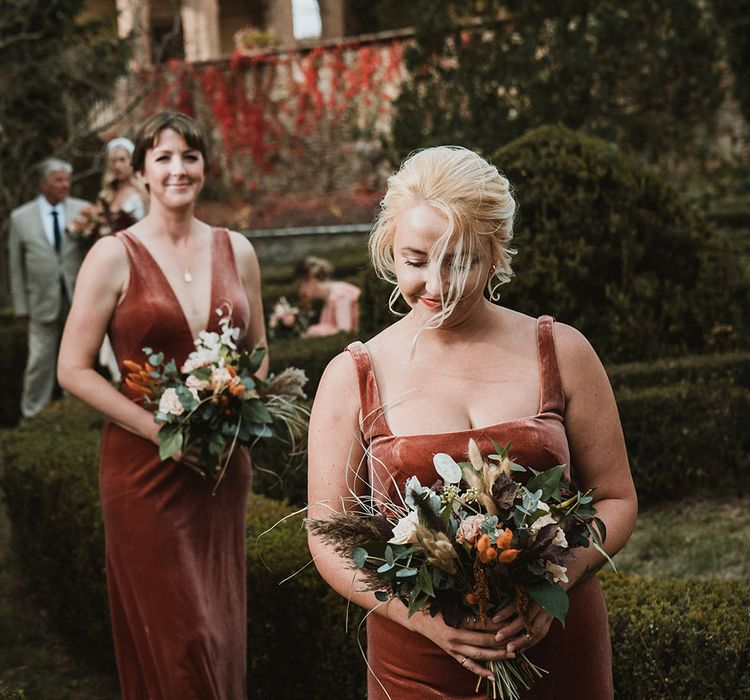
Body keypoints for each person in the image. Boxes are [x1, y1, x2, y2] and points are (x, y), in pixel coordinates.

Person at [307, 146, 637, 699]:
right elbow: (328, 538)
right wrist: (425, 622)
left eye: (460, 261)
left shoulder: (562, 350)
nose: (437, 285)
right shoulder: (351, 375)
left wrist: (554, 581)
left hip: (558, 645)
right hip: (418, 661)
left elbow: (616, 498)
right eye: (415, 261)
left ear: (495, 252)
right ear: (389, 248)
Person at [58, 111, 267, 699]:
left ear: (205, 167)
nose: (179, 169)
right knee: (181, 640)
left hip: (219, 470)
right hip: (143, 472)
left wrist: (232, 409)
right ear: (143, 172)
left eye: (190, 157)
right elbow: (71, 369)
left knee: (220, 632)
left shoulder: (239, 250)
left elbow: (261, 355)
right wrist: (162, 431)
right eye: (164, 157)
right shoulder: (112, 255)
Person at [7, 158, 90, 420]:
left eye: (67, 179)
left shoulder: (85, 211)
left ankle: (74, 413)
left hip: (78, 300)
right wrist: (21, 306)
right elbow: (16, 267)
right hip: (41, 304)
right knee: (39, 363)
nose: (66, 184)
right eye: (58, 179)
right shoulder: (20, 218)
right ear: (43, 184)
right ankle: (32, 416)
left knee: (79, 361)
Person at [95, 137, 149, 381]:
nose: (117, 166)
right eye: (113, 161)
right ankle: (118, 371)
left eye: (122, 160)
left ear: (132, 162)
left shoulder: (142, 194)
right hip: (109, 265)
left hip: (135, 262)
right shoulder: (105, 196)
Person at [295, 256, 360, 336]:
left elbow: (345, 332)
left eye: (301, 285)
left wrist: (313, 331)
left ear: (311, 280)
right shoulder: (330, 298)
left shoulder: (341, 296)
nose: (300, 291)